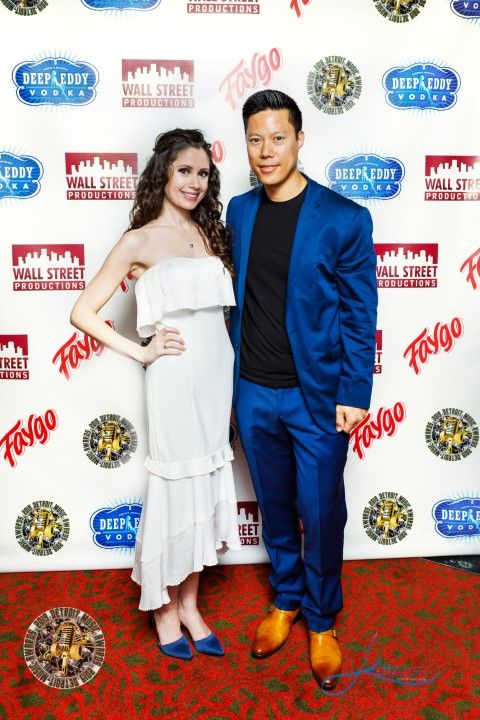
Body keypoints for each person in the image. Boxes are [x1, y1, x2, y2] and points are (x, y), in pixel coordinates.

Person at [226, 90, 377, 689]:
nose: (266, 151)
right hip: (253, 391)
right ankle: (286, 598)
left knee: (321, 509)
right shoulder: (239, 211)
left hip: (318, 397)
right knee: (274, 505)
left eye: (278, 138)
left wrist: (354, 391)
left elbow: (359, 315)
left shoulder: (344, 218)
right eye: (255, 139)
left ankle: (321, 618)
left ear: (300, 139)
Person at [71, 128, 241, 661]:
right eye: (184, 170)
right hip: (173, 379)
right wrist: (142, 352)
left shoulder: (211, 234)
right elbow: (82, 312)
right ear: (163, 172)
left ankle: (189, 603)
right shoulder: (138, 241)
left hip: (217, 376)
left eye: (203, 173)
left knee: (204, 482)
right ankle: (163, 607)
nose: (195, 182)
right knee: (175, 484)